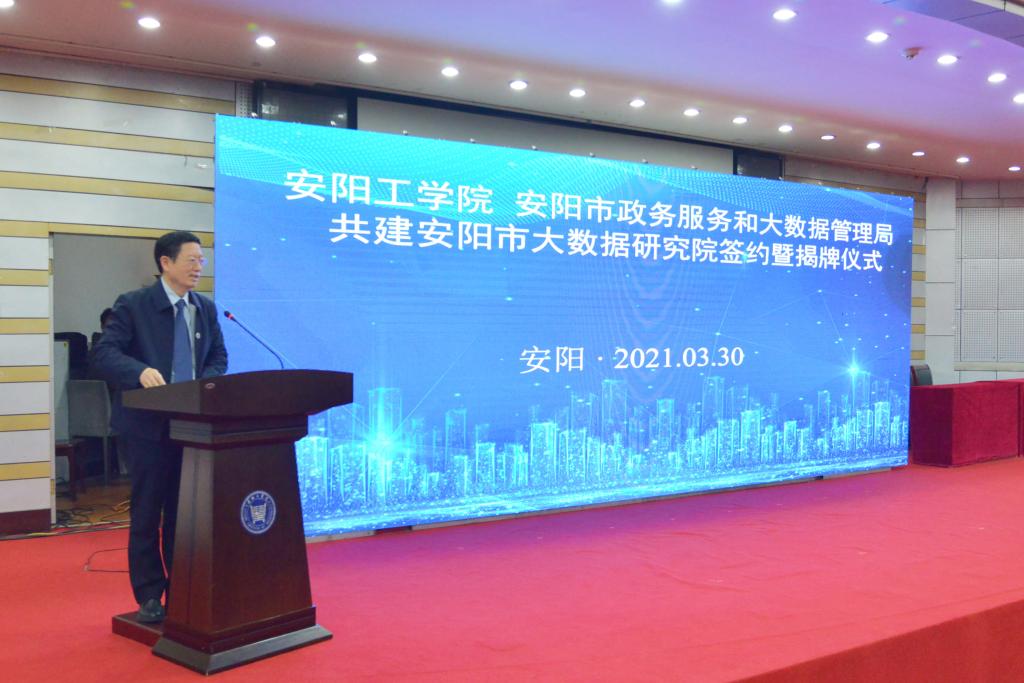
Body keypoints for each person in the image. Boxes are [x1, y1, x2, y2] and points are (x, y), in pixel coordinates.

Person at [92, 231, 227, 623]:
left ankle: (182, 588)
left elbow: (218, 356)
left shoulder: (205, 308)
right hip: (146, 427)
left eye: (202, 260)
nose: (199, 267)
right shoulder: (134, 304)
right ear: (166, 263)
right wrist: (139, 371)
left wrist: (206, 383)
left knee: (184, 514)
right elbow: (103, 353)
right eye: (191, 260)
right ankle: (150, 593)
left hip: (192, 426)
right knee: (148, 510)